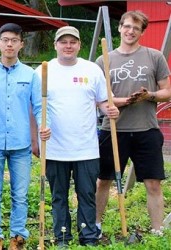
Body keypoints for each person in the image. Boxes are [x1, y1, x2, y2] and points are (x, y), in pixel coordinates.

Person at [35, 26, 119, 246]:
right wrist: (36, 135)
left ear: (79, 45)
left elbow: (103, 100)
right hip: (53, 147)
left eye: (73, 42)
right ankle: (62, 236)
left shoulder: (91, 70)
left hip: (86, 147)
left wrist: (108, 109)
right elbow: (34, 107)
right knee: (58, 196)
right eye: (63, 42)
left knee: (87, 194)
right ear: (55, 45)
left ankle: (89, 236)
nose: (68, 46)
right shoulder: (42, 71)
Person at [0, 23, 48, 250]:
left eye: (14, 40)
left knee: (21, 194)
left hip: (21, 143)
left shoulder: (30, 75)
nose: (9, 44)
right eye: (5, 39)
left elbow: (39, 106)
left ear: (21, 44)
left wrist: (45, 126)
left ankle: (18, 236)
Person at [95, 10, 170, 237]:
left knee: (153, 183)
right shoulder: (104, 60)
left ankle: (157, 231)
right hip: (113, 129)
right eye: (127, 26)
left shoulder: (154, 56)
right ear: (120, 28)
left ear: (141, 32)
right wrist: (121, 101)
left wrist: (150, 96)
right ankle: (95, 226)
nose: (130, 31)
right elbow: (98, 96)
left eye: (136, 28)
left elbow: (167, 92)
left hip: (146, 129)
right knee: (103, 181)